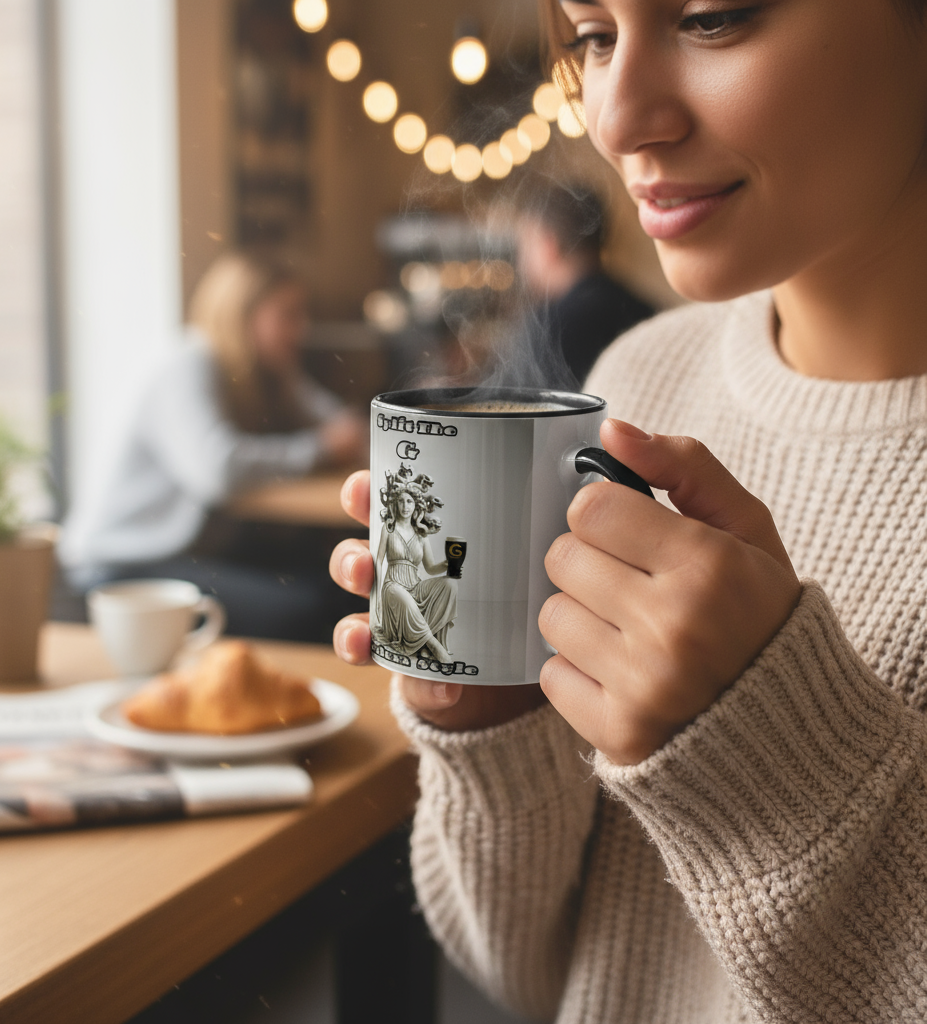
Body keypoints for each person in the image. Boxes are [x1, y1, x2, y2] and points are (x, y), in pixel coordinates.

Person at [328, 0, 927, 1021]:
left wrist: (769, 755)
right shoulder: (639, 382)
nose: (613, 119)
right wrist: (496, 728)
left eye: (711, 17)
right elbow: (539, 975)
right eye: (593, 36)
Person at [61, 252, 366, 642]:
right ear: (242, 314)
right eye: (288, 315)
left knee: (330, 586)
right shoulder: (188, 361)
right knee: (307, 609)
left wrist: (340, 439)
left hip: (185, 554)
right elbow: (218, 471)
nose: (301, 328)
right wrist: (321, 448)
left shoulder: (266, 372)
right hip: (121, 565)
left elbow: (345, 429)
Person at [512, 176, 654, 388]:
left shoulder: (549, 326)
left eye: (526, 245)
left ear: (548, 246)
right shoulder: (645, 310)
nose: (522, 261)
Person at [370, 463, 456, 664]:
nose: (405, 506)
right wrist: (375, 597)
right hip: (393, 586)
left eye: (409, 501)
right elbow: (378, 561)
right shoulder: (388, 528)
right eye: (401, 501)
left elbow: (430, 568)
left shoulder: (421, 534)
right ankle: (434, 646)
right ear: (395, 504)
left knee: (450, 584)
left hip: (414, 585)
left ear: (416, 505)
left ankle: (422, 644)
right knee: (404, 598)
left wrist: (447, 564)